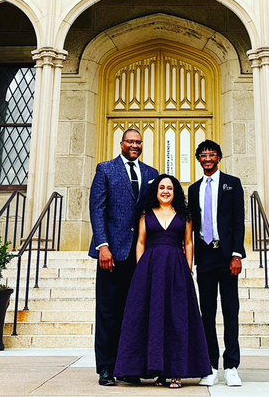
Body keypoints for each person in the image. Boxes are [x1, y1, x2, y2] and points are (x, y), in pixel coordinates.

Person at [114, 174, 212, 388]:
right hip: (151, 269)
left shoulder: (184, 215)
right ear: (156, 192)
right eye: (161, 188)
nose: (165, 191)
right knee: (153, 318)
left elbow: (188, 243)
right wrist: (141, 269)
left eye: (169, 188)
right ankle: (157, 371)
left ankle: (176, 372)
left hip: (177, 269)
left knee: (175, 318)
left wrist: (187, 270)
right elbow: (141, 242)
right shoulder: (145, 214)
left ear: (175, 191)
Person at [88, 128, 158, 387]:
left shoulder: (151, 174)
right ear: (121, 143)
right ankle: (106, 368)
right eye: (130, 141)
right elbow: (97, 209)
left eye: (139, 142)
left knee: (135, 312)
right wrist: (102, 247)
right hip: (113, 253)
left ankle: (129, 367)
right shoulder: (105, 170)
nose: (135, 145)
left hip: (141, 255)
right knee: (108, 312)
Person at [187, 140, 245, 388]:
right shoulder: (193, 189)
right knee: (207, 313)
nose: (207, 159)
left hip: (226, 255)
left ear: (219, 158)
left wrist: (236, 254)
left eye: (211, 155)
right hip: (205, 256)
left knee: (231, 311)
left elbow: (238, 221)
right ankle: (210, 365)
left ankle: (231, 366)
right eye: (203, 155)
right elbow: (191, 227)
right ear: (198, 159)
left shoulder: (232, 183)